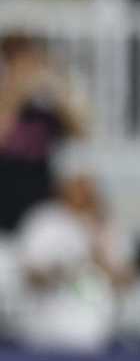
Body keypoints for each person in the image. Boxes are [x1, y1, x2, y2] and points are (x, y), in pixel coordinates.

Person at [15, 158, 134, 353]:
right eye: (78, 184)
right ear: (64, 187)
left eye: (88, 185)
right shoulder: (44, 220)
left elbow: (127, 280)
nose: (84, 192)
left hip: (97, 322)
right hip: (47, 318)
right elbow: (29, 276)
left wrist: (99, 255)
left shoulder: (108, 225)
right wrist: (60, 272)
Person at [0, 33, 88, 235]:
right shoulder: (6, 100)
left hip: (39, 207)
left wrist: (59, 94)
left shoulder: (46, 109)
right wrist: (17, 94)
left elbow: (81, 133)